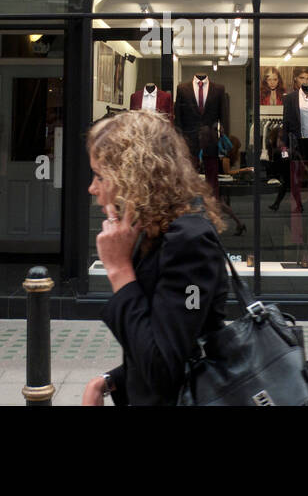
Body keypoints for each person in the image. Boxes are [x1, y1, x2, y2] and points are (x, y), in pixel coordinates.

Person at [82, 110, 229, 406]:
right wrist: (109, 382)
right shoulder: (153, 232)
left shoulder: (190, 242)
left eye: (100, 176)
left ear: (131, 176)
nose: (92, 188)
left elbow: (165, 367)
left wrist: (119, 270)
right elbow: (169, 341)